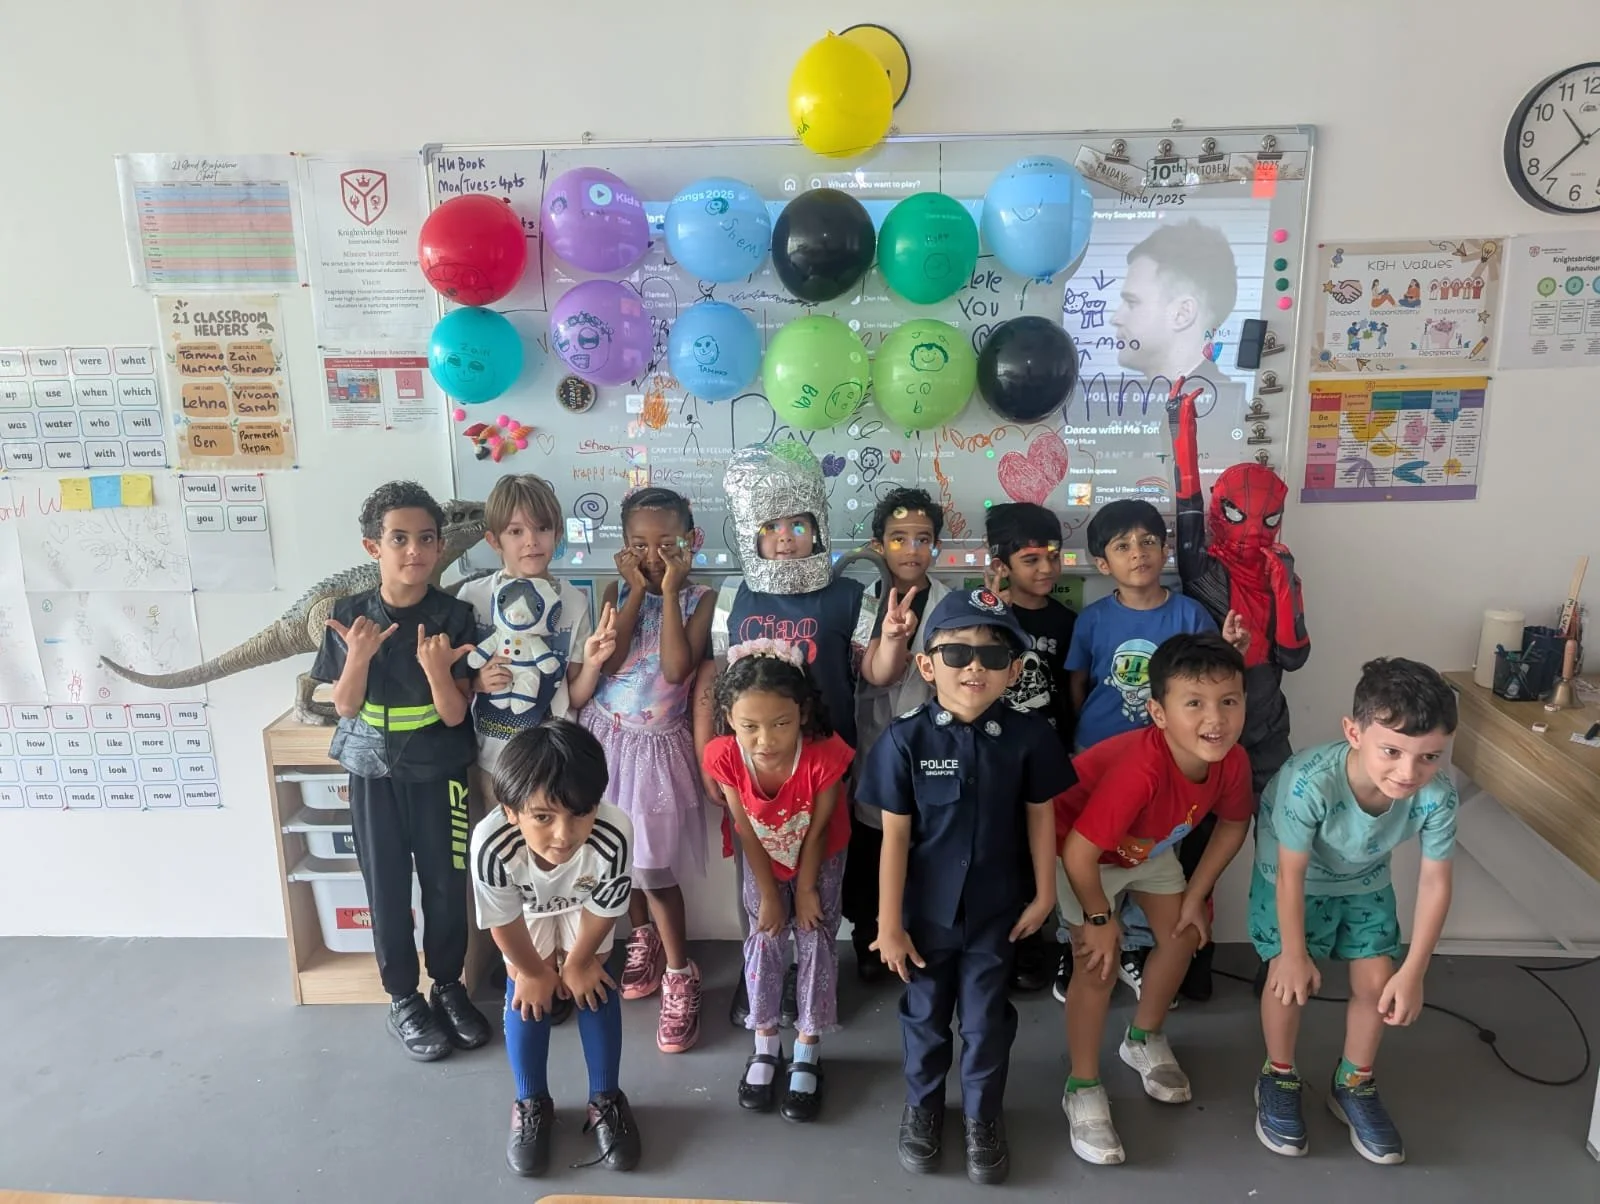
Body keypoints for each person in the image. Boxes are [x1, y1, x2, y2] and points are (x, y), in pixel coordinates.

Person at [859, 588, 1073, 1186]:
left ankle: (983, 1117)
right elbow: (894, 840)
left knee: (985, 1022)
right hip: (923, 917)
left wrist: (1046, 894)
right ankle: (923, 1109)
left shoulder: (1030, 737)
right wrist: (888, 925)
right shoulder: (905, 741)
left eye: (991, 655)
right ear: (927, 666)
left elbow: (1040, 817)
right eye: (956, 654)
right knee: (925, 1018)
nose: (974, 666)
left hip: (994, 913)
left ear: (1013, 671)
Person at [694, 444, 881, 1028]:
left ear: (817, 528)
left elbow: (874, 673)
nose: (784, 538)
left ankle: (813, 979)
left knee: (821, 872)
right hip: (750, 769)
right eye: (770, 526)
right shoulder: (733, 596)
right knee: (758, 883)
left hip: (824, 763)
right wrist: (708, 755)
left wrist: (893, 638)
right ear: (752, 532)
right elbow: (714, 677)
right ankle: (762, 977)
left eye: (797, 525)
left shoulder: (850, 596)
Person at [1055, 633, 1253, 1167]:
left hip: (1145, 846)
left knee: (1185, 933)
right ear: (1158, 713)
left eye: (1228, 701)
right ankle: (1082, 1084)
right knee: (1097, 964)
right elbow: (1078, 854)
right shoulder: (1139, 768)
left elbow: (1235, 824)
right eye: (1194, 703)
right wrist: (1099, 919)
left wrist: (1196, 894)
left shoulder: (1231, 760)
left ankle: (1142, 1037)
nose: (1215, 718)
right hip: (1079, 848)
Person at [309, 480, 492, 1061]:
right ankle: (402, 998)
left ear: (440, 548)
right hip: (373, 772)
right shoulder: (348, 617)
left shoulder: (455, 616)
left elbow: (455, 710)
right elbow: (342, 705)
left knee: (445, 883)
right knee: (385, 885)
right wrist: (358, 656)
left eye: (426, 539)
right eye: (399, 538)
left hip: (441, 771)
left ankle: (448, 985)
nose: (414, 550)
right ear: (373, 548)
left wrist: (439, 670)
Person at [1251, 658, 1459, 1166]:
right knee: (1287, 981)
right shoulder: (1309, 783)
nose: (1409, 772)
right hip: (1292, 882)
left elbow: (1435, 881)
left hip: (1365, 883)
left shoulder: (1437, 795)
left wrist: (1415, 971)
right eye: (1392, 751)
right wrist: (1294, 953)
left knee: (1377, 983)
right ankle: (1278, 1074)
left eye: (1429, 756)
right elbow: (1291, 875)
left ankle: (1354, 1083)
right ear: (1354, 732)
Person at [1068, 499, 1248, 1003]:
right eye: (1123, 545)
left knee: (1150, 853)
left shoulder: (1189, 612)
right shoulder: (1094, 618)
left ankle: (1136, 948)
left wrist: (1235, 647)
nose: (1139, 553)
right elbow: (1079, 683)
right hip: (1101, 755)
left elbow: (1213, 674)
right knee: (1099, 850)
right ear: (1103, 564)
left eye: (1148, 541)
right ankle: (1082, 939)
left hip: (1170, 760)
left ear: (1165, 550)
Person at [1164, 381, 1311, 1000]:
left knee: (1280, 848)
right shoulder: (1202, 562)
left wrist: (1282, 587)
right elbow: (1187, 497)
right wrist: (1182, 422)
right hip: (1204, 729)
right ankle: (1187, 967)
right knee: (1192, 849)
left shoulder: (1282, 565)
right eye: (1240, 514)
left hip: (1265, 724)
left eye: (1266, 517)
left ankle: (1278, 958)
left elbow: (1295, 656)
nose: (1252, 528)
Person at [470, 719, 641, 1177]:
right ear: (511, 811)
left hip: (585, 907)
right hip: (526, 911)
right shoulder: (491, 845)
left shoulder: (615, 832)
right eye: (543, 817)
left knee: (592, 984)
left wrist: (581, 961)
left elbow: (607, 906)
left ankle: (606, 1097)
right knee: (528, 992)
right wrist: (533, 973)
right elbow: (502, 921)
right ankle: (531, 1102)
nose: (563, 835)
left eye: (579, 814)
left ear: (596, 805)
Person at [581, 487, 714, 1054]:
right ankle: (642, 940)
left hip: (657, 749)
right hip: (606, 740)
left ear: (692, 542)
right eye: (639, 544)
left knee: (655, 868)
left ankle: (681, 974)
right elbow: (607, 661)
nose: (654, 553)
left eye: (667, 544)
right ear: (623, 547)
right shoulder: (614, 590)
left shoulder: (703, 598)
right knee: (618, 858)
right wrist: (637, 591)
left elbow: (677, 668)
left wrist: (667, 591)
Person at [703, 642, 853, 1123]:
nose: (765, 740)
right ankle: (764, 1042)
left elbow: (822, 825)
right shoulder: (724, 755)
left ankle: (808, 1047)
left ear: (803, 712)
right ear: (728, 717)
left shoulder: (825, 754)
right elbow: (743, 825)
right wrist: (769, 893)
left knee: (815, 937)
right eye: (749, 727)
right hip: (762, 856)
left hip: (818, 854)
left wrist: (806, 888)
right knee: (764, 938)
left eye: (780, 724)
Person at [846, 487, 949, 984]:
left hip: (933, 743)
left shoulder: (951, 604)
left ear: (937, 548)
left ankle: (915, 928)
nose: (912, 549)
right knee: (872, 838)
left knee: (925, 842)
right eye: (899, 538)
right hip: (876, 736)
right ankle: (869, 933)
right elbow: (877, 674)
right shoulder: (861, 600)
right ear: (878, 544)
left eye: (923, 539)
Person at [983, 501, 1076, 993]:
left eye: (1053, 556)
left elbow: (1072, 691)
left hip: (1049, 757)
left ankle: (1038, 944)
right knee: (1002, 852)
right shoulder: (989, 620)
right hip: (997, 756)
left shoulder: (1066, 621)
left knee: (1048, 854)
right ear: (1001, 565)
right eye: (1030, 560)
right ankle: (1003, 944)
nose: (1046, 569)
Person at [459, 474, 609, 774]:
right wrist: (477, 682)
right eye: (516, 531)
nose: (531, 541)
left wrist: (593, 664)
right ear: (493, 540)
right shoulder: (473, 597)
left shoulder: (573, 601)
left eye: (542, 528)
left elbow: (575, 696)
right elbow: (457, 686)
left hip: (555, 758)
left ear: (558, 534)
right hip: (492, 760)